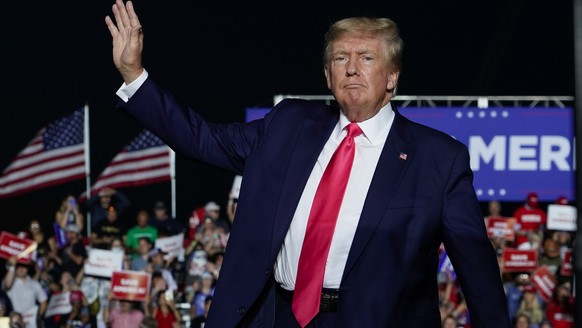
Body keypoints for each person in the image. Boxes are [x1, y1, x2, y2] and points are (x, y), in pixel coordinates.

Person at [105, 2, 510, 326]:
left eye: (366, 57)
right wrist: (133, 73)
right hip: (278, 315)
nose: (351, 67)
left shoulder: (439, 158)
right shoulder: (288, 125)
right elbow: (201, 139)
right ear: (326, 73)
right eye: (339, 58)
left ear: (392, 76)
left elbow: (476, 271)